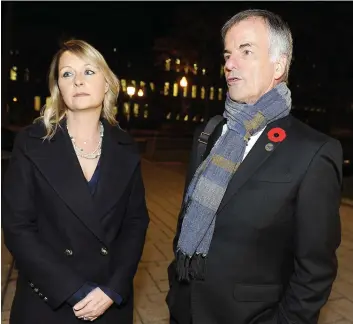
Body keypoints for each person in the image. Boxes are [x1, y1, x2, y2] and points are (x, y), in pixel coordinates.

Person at [166, 9, 342, 324]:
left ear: (279, 64)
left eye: (246, 51)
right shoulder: (209, 135)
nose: (230, 64)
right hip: (185, 311)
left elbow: (315, 271)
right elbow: (185, 222)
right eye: (228, 54)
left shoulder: (313, 151)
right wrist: (175, 293)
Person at [2, 39, 150, 324]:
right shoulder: (32, 143)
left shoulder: (125, 147)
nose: (78, 81)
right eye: (67, 73)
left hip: (109, 300)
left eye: (89, 72)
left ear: (107, 84)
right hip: (49, 299)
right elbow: (17, 227)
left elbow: (135, 222)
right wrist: (73, 289)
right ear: (59, 88)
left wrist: (114, 288)